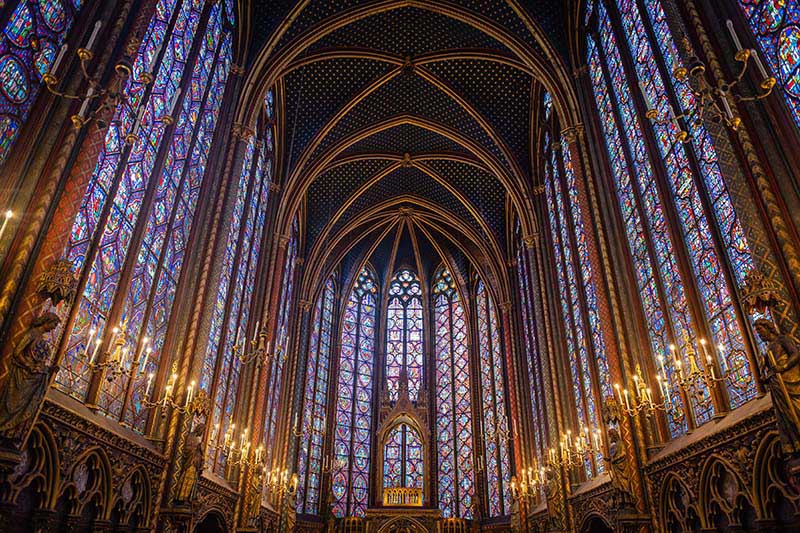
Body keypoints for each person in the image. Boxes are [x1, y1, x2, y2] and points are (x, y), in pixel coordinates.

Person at [0, 313, 60, 445]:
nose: (54, 328)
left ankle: (11, 433)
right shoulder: (32, 334)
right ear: (47, 321)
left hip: (33, 379)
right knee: (12, 403)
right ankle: (4, 428)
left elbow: (39, 360)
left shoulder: (40, 337)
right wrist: (29, 366)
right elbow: (17, 352)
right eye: (54, 324)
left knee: (26, 407)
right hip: (22, 376)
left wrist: (49, 369)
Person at [754, 318, 800, 454]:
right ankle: (795, 442)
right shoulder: (768, 349)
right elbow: (769, 372)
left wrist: (783, 366)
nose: (760, 334)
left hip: (791, 379)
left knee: (796, 408)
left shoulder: (782, 340)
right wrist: (764, 373)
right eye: (757, 333)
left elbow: (796, 353)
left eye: (760, 330)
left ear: (768, 328)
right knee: (785, 415)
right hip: (778, 385)